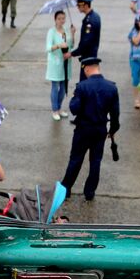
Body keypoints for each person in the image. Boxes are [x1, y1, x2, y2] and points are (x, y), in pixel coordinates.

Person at [59, 56, 120, 202]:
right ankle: (89, 191)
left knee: (76, 159)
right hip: (100, 130)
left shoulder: (82, 87)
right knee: (96, 160)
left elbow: (74, 108)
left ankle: (66, 188)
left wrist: (76, 98)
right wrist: (112, 130)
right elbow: (115, 113)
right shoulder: (111, 87)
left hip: (83, 129)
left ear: (86, 68)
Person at [45, 9, 74, 120]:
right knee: (55, 86)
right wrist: (58, 46)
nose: (62, 21)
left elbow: (71, 45)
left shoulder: (66, 30)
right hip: (55, 63)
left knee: (63, 87)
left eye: (63, 18)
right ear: (55, 20)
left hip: (65, 62)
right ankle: (54, 110)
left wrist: (72, 34)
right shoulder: (51, 32)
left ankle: (60, 108)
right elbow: (48, 48)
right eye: (59, 19)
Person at [68, 0, 101, 81]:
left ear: (85, 5)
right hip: (92, 57)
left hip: (88, 58)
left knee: (85, 84)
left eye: (79, 5)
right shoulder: (95, 16)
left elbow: (85, 43)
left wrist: (72, 53)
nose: (78, 7)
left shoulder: (89, 21)